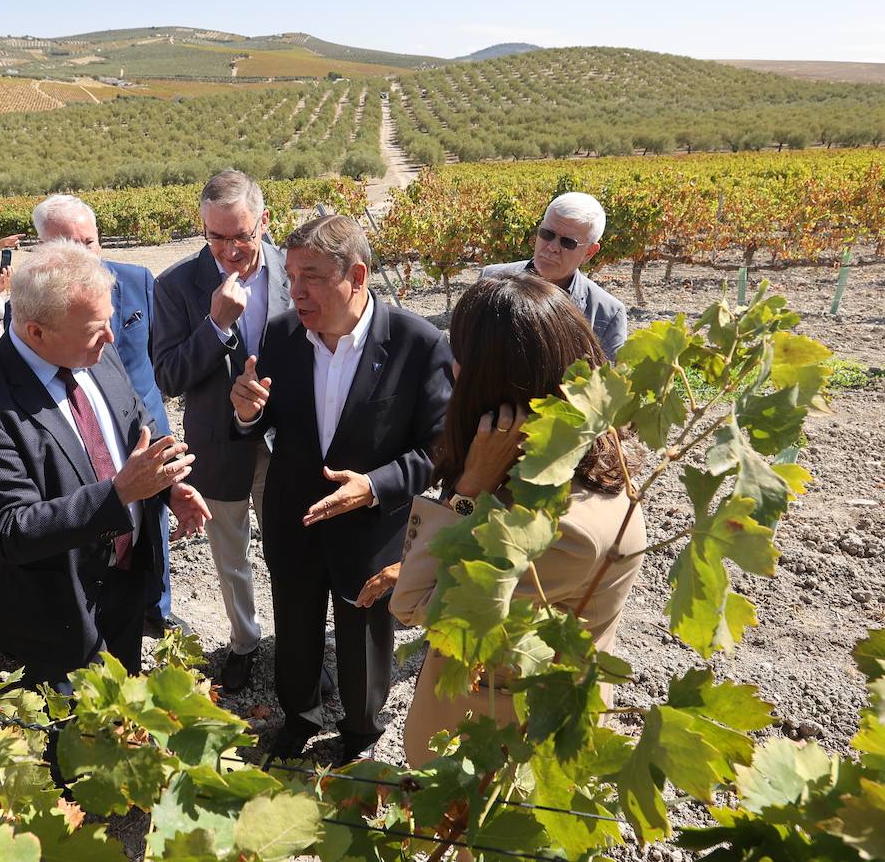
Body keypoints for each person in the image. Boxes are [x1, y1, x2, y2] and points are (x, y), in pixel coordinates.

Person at [385, 274, 647, 769]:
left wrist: (467, 490)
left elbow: (418, 605)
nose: (452, 372)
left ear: (489, 387)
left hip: (499, 750)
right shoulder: (598, 463)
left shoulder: (560, 528)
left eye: (458, 358)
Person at [229, 215, 454, 764]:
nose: (295, 290)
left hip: (372, 526)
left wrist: (374, 486)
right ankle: (298, 717)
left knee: (364, 639)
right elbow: (264, 419)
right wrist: (245, 414)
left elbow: (439, 450)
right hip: (295, 517)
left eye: (310, 276)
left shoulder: (417, 344)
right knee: (296, 626)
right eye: (290, 275)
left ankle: (360, 731)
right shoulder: (281, 335)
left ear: (356, 275)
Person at [0, 241, 211, 690]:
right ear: (37, 331)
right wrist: (121, 493)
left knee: (120, 718)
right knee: (74, 744)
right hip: (58, 615)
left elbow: (134, 426)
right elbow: (10, 528)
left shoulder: (94, 350)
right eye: (95, 329)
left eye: (108, 322)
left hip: (125, 587)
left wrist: (166, 486)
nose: (110, 339)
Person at [153, 169, 292, 694]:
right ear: (203, 228)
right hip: (218, 444)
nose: (230, 250)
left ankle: (295, 642)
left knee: (291, 552)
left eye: (242, 235)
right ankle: (244, 643)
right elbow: (169, 376)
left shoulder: (293, 270)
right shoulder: (175, 286)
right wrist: (216, 327)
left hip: (287, 443)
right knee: (231, 554)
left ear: (264, 221)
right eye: (216, 237)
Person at [31, 193, 186, 638]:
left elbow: (165, 353)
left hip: (145, 426)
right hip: (85, 433)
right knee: (100, 521)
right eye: (68, 245)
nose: (83, 256)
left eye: (89, 242)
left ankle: (156, 608)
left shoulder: (139, 282)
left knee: (154, 521)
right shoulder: (32, 311)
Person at [480, 191, 628, 361]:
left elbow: (604, 383)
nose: (552, 247)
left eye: (567, 242)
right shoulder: (491, 279)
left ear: (589, 252)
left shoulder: (607, 314)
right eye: (547, 234)